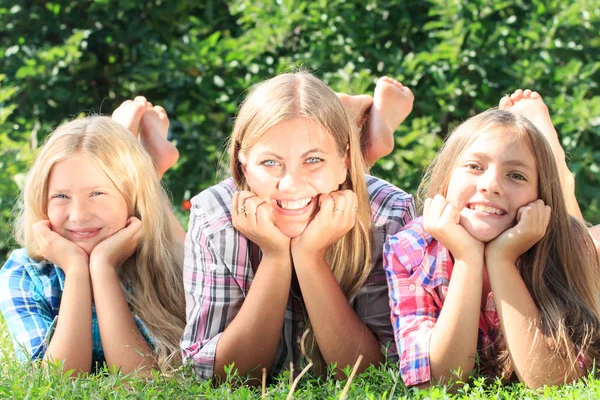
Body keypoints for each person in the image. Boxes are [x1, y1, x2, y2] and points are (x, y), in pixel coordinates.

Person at [180, 71, 416, 382]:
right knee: (305, 190)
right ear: (242, 164)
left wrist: (310, 258)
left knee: (310, 190)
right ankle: (361, 136)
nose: (290, 184)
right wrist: (276, 257)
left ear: (345, 158)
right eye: (270, 163)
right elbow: (220, 377)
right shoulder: (214, 217)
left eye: (313, 159)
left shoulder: (389, 216)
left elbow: (376, 376)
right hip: (330, 170)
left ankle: (365, 140)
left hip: (351, 180)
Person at [384, 90, 600, 389]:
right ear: (445, 178)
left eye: (517, 175)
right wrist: (466, 259)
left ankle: (559, 174)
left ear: (539, 197)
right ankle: (555, 169)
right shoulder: (409, 248)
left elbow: (554, 383)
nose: (491, 185)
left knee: (590, 240)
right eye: (474, 166)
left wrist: (502, 260)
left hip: (582, 245)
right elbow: (437, 384)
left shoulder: (568, 246)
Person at [0, 100, 186, 376]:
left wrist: (103, 268)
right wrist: (77, 270)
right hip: (132, 201)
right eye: (61, 196)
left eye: (97, 194)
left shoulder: (165, 259)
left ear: (130, 199)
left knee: (180, 247)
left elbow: (139, 380)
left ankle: (145, 166)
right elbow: (59, 381)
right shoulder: (24, 273)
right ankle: (142, 158)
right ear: (41, 199)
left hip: (148, 224)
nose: (78, 215)